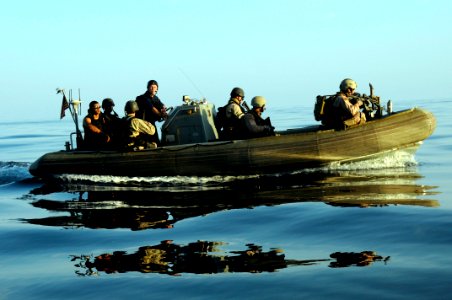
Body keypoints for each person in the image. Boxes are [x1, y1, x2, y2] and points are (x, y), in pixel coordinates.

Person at [135, 80, 168, 145]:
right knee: (149, 141)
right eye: (151, 87)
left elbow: (161, 105)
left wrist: (164, 111)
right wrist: (161, 115)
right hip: (143, 124)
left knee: (156, 141)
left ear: (157, 88)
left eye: (155, 87)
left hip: (151, 123)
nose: (153, 89)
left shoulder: (155, 98)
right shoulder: (143, 98)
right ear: (148, 88)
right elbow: (152, 108)